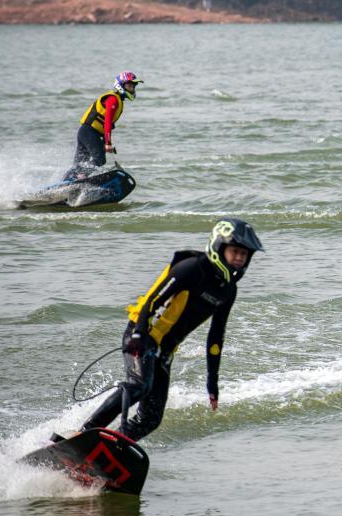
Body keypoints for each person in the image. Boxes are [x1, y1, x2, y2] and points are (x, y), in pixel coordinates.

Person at [75, 219, 264, 442]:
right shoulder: (193, 267)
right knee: (138, 386)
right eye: (235, 251)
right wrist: (137, 335)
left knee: (151, 419)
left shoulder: (228, 291)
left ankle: (109, 446)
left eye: (244, 254)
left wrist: (212, 383)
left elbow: (215, 338)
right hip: (142, 336)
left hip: (164, 352)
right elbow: (152, 301)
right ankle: (82, 433)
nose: (240, 258)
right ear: (219, 247)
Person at [65, 72, 142, 180]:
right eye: (129, 86)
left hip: (87, 132)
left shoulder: (118, 100)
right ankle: (80, 177)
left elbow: (107, 125)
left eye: (133, 86)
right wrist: (107, 143)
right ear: (120, 85)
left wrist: (106, 143)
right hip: (89, 132)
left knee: (79, 163)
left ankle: (66, 181)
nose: (132, 89)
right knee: (99, 159)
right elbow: (107, 122)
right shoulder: (113, 99)